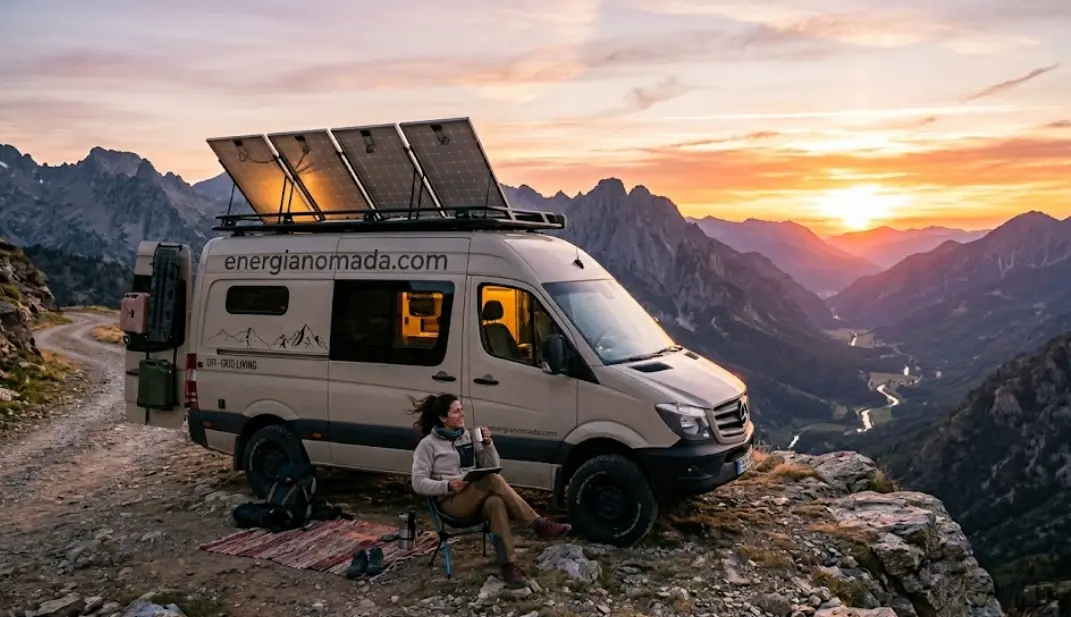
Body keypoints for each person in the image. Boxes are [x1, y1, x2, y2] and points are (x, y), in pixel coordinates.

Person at [409, 393, 571, 587]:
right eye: (457, 411)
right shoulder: (428, 445)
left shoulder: (468, 436)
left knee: (496, 502)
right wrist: (447, 485)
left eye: (462, 409)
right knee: (492, 480)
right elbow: (418, 483)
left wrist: (487, 444)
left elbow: (493, 465)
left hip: (474, 494)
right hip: (450, 502)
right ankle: (537, 524)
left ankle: (508, 566)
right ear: (443, 418)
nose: (463, 414)